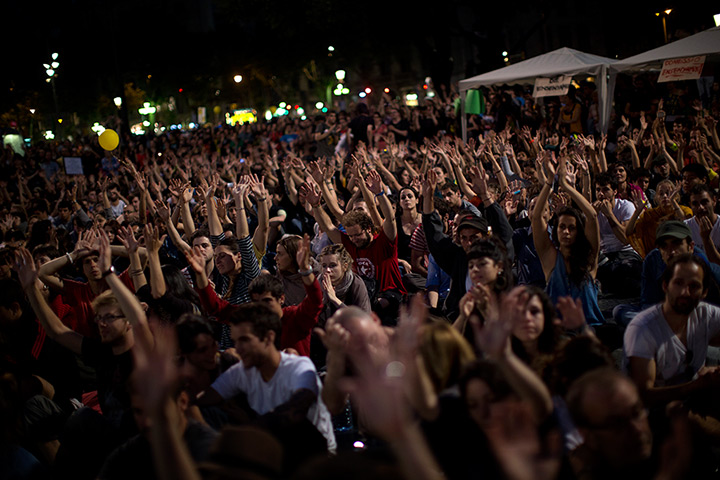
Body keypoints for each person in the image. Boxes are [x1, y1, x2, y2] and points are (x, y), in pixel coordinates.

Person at [196, 302, 336, 453]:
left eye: (245, 340)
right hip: (274, 452)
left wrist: (247, 427)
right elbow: (205, 398)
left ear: (268, 338)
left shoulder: (299, 367)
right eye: (235, 341)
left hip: (315, 455)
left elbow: (296, 408)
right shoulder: (242, 371)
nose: (238, 348)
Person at [188, 235, 323, 357]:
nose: (261, 308)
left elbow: (315, 301)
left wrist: (305, 271)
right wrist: (200, 276)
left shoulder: (295, 317)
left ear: (281, 299)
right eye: (256, 302)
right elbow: (216, 308)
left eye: (266, 301)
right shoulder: (251, 317)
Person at [306, 170, 406, 325]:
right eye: (350, 236)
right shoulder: (351, 244)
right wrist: (316, 205)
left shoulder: (384, 242)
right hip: (363, 293)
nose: (353, 239)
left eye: (357, 235)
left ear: (368, 229)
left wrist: (380, 193)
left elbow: (391, 219)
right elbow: (328, 226)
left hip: (389, 295)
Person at [624, 254, 720, 408]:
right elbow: (643, 396)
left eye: (693, 286)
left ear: (704, 292)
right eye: (678, 283)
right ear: (665, 286)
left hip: (693, 400)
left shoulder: (705, 314)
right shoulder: (643, 329)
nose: (685, 292)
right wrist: (697, 385)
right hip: (655, 415)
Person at [532, 154, 603, 325]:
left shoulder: (588, 259)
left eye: (572, 228)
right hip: (559, 332)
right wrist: (549, 182)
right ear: (555, 230)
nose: (566, 232)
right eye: (562, 227)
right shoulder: (550, 257)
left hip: (588, 329)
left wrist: (566, 185)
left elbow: (592, 216)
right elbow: (536, 218)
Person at [566, 368, 654, 480]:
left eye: (636, 413)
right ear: (588, 436)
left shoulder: (674, 448)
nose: (636, 429)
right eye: (617, 423)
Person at [593, 173, 642, 296]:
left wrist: (609, 215)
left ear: (615, 191)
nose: (601, 194)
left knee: (628, 268)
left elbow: (625, 239)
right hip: (605, 257)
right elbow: (591, 242)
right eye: (598, 190)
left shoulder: (626, 207)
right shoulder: (593, 209)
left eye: (605, 190)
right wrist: (592, 217)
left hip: (626, 254)